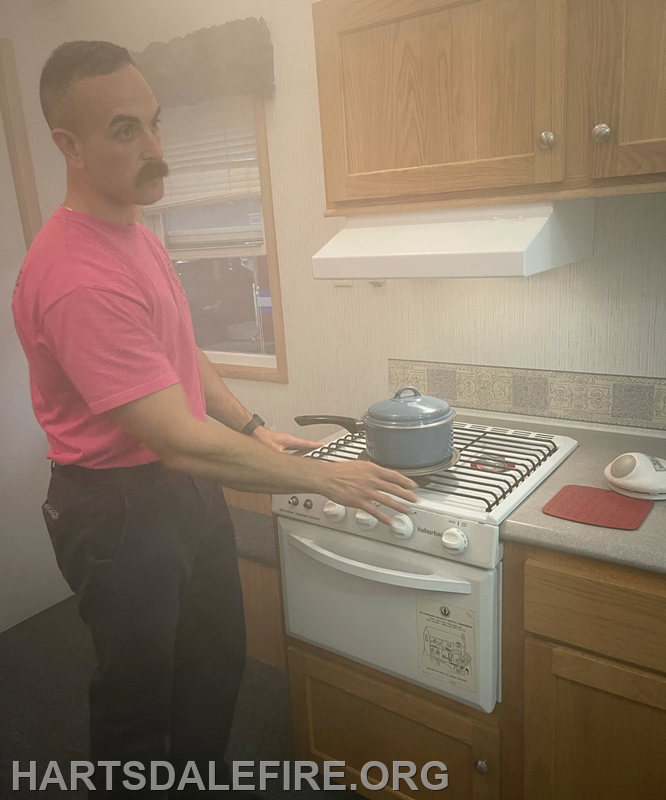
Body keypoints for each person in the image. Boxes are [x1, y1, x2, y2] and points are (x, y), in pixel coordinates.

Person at [11, 41, 418, 797]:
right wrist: (323, 478)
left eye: (156, 124)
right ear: (68, 145)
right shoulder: (75, 277)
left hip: (182, 493)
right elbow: (173, 437)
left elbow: (179, 352)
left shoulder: (132, 233)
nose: (156, 150)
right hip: (118, 512)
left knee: (213, 663)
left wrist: (251, 424)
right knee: (138, 702)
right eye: (125, 130)